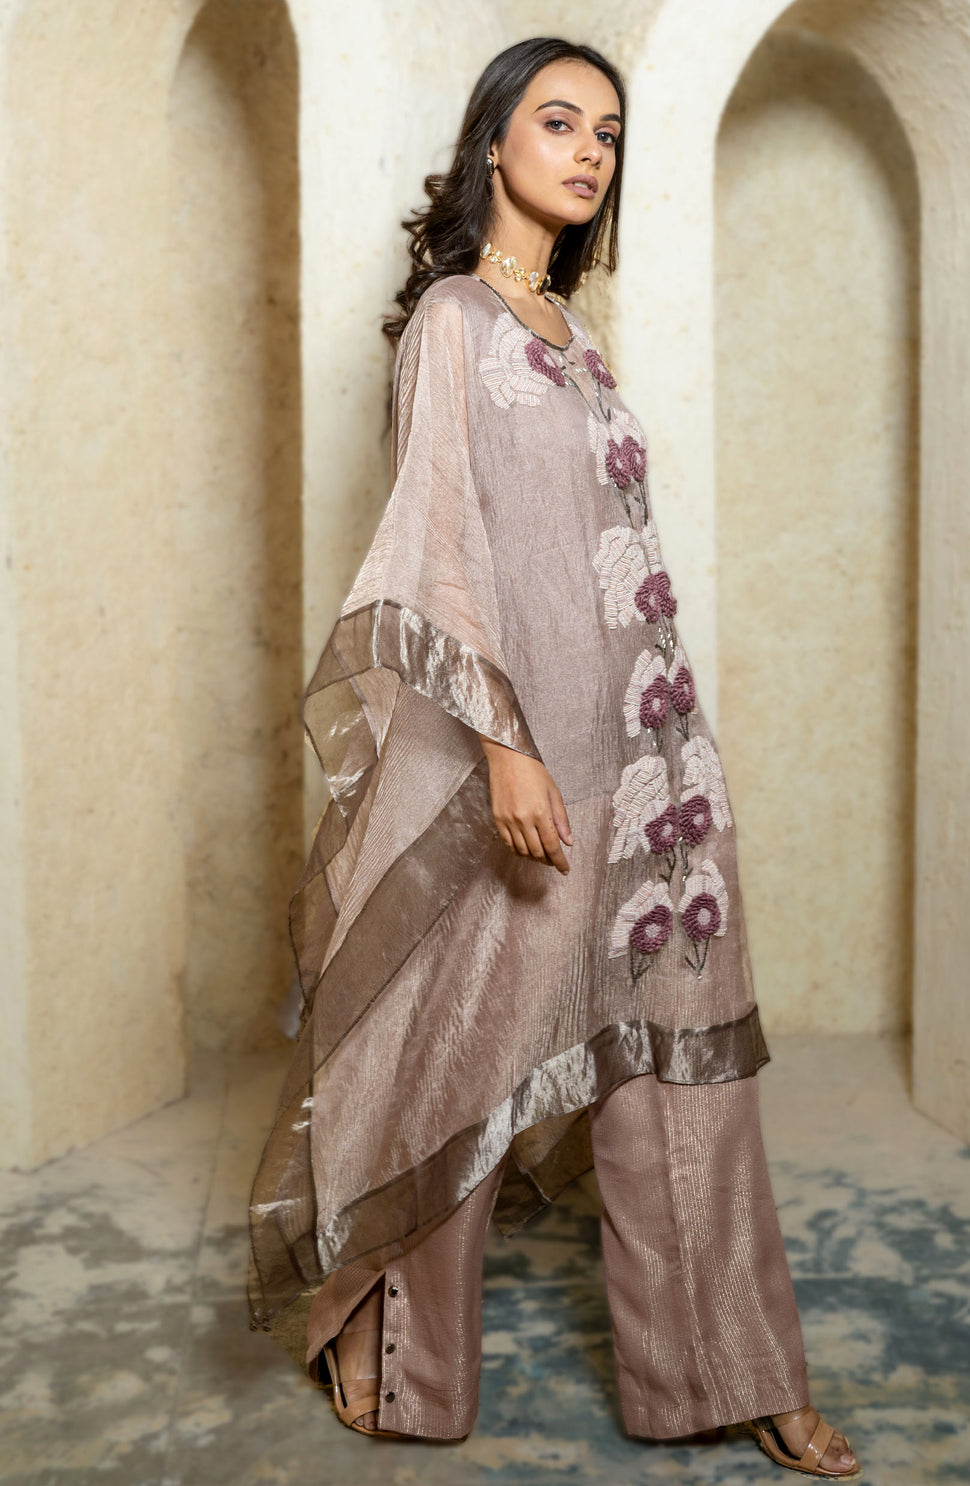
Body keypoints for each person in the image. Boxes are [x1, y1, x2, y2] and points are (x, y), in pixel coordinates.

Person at [246, 36, 860, 1479]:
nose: (589, 151)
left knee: (688, 1059)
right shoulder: (454, 322)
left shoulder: (576, 340)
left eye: (610, 132)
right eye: (558, 120)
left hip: (656, 768)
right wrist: (507, 746)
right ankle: (391, 1341)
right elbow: (440, 548)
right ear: (494, 143)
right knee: (462, 1054)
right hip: (527, 763)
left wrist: (669, 747)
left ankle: (737, 1367)